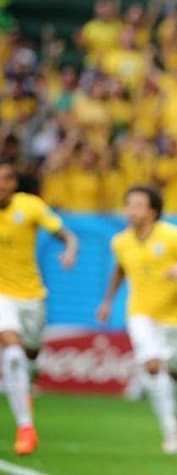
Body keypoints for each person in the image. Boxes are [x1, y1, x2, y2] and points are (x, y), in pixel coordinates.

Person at [96, 185, 177, 455]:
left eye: (137, 205)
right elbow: (120, 270)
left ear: (153, 211)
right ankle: (169, 432)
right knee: (152, 366)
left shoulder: (172, 236)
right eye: (128, 204)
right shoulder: (120, 242)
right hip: (140, 314)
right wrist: (108, 301)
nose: (131, 211)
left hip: (175, 317)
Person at [0, 158, 78, 455]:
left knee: (30, 354)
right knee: (14, 353)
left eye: (6, 179)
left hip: (32, 295)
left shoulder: (29, 206)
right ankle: (26, 428)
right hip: (2, 296)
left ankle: (24, 385)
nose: (1, 185)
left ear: (14, 184)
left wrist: (70, 252)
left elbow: (66, 235)